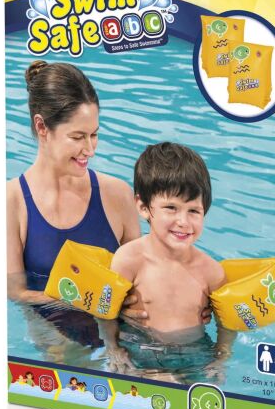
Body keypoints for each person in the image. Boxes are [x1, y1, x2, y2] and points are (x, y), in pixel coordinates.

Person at [6, 60, 143, 353]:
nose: (90, 150)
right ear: (42, 127)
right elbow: (15, 293)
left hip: (123, 340)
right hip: (57, 342)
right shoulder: (12, 202)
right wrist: (89, 300)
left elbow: (143, 279)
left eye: (94, 134)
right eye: (78, 137)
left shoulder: (117, 195)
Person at [97, 142, 235, 382]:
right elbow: (105, 313)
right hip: (140, 350)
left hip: (195, 354)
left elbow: (227, 325)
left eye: (194, 211)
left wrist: (221, 357)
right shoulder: (129, 260)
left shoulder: (211, 272)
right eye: (171, 208)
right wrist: (113, 348)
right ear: (143, 207)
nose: (183, 221)